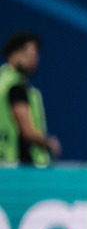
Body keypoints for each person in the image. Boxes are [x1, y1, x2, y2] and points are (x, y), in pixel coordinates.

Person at [0, 31, 58, 166]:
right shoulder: (16, 87)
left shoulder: (3, 81)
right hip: (17, 162)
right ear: (12, 55)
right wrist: (50, 144)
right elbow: (28, 132)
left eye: (35, 54)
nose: (33, 58)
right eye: (27, 54)